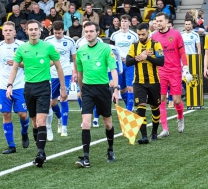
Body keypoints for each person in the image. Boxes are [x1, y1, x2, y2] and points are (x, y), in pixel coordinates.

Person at [7, 19, 66, 167]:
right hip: (28, 88)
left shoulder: (48, 47)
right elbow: (14, 68)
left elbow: (59, 68)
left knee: (41, 122)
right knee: (34, 123)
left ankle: (40, 152)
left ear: (40, 31)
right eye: (30, 29)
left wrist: (63, 88)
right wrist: (9, 85)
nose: (33, 31)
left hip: (44, 88)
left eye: (36, 29)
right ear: (26, 31)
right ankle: (41, 151)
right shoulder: (21, 49)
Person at [75, 21, 119, 168]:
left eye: (91, 31)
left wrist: (116, 88)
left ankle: (111, 149)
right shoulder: (80, 51)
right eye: (86, 31)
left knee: (108, 123)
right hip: (87, 90)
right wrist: (80, 89)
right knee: (85, 123)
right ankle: (86, 158)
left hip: (102, 89)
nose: (88, 34)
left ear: (97, 32)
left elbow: (113, 69)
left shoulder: (106, 49)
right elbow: (80, 74)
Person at [152, 12, 192, 138]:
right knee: (161, 99)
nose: (158, 23)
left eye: (160, 21)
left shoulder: (176, 34)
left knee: (176, 101)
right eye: (156, 21)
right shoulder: (153, 37)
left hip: (175, 71)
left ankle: (180, 117)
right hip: (161, 71)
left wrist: (185, 67)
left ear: (166, 21)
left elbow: (182, 51)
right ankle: (165, 129)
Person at [126, 23, 164, 144]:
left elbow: (161, 61)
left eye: (143, 34)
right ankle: (144, 136)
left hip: (154, 82)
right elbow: (127, 62)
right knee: (140, 107)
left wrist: (146, 57)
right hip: (139, 82)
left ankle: (154, 132)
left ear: (148, 32)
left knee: (154, 107)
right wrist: (138, 58)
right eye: (139, 34)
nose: (141, 36)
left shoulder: (156, 45)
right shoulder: (134, 45)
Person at [0, 22, 30, 154]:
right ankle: (11, 145)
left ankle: (24, 132)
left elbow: (30, 63)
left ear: (14, 32)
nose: (7, 32)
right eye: (5, 30)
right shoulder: (0, 47)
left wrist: (19, 64)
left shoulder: (21, 46)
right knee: (6, 114)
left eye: (10, 30)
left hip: (19, 85)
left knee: (23, 114)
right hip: (2, 86)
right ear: (3, 32)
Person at [44, 21, 76, 139]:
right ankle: (59, 118)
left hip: (66, 73)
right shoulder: (47, 41)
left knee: (64, 96)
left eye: (59, 32)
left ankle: (64, 127)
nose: (57, 35)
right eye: (55, 33)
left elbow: (74, 58)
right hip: (51, 75)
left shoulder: (70, 41)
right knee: (52, 103)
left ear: (63, 30)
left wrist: (76, 72)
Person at [110, 15, 139, 111]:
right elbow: (111, 50)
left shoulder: (134, 36)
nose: (123, 23)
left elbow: (137, 50)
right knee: (122, 89)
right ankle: (129, 105)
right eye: (122, 21)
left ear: (130, 23)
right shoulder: (114, 35)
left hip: (129, 64)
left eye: (125, 21)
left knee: (130, 87)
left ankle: (129, 110)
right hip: (118, 64)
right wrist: (116, 58)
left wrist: (130, 58)